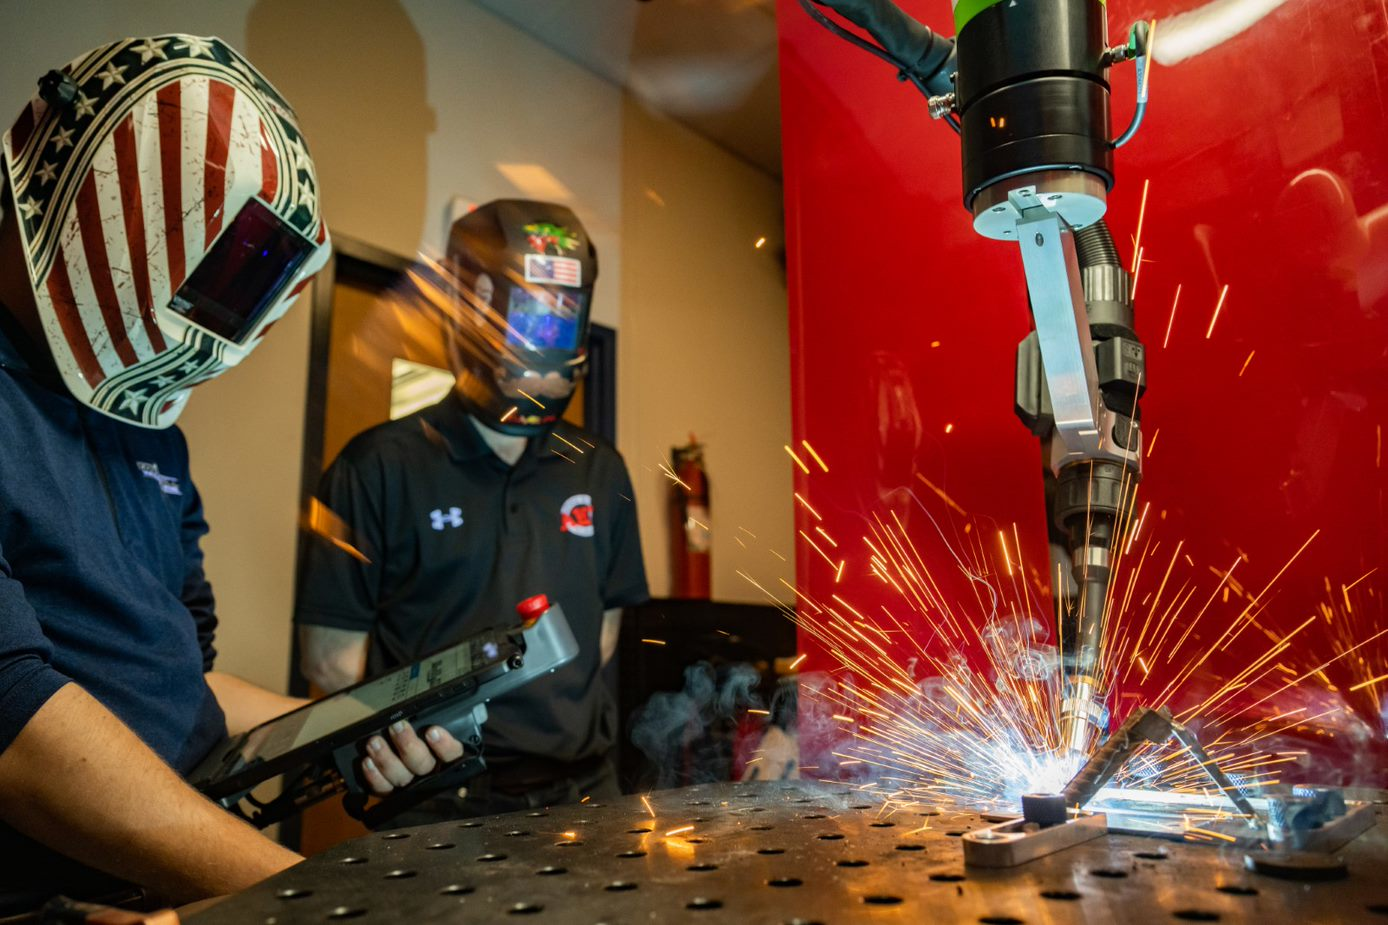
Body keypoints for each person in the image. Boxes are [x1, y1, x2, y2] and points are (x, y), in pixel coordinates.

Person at [0, 36, 458, 909]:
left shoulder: (147, 429)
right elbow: (13, 725)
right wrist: (315, 895)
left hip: (154, 887)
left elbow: (186, 680)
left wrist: (358, 723)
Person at [296, 200, 649, 818]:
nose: (545, 340)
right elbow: (331, 661)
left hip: (583, 792)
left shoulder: (599, 468)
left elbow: (604, 633)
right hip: (438, 797)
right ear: (470, 308)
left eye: (562, 317)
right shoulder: (377, 466)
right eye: (532, 316)